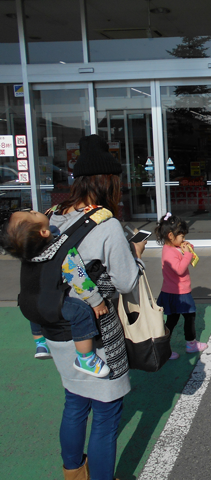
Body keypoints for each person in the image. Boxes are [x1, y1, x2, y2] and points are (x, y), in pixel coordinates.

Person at [45, 134, 145, 480]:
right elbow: (126, 282)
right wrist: (136, 256)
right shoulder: (107, 225)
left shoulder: (52, 216)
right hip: (97, 332)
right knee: (105, 413)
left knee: (74, 401)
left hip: (58, 328)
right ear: (108, 182)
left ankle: (73, 472)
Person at [1, 210, 111, 377]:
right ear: (44, 233)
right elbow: (79, 280)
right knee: (81, 311)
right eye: (33, 213)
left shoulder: (27, 253)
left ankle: (40, 343)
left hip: (27, 305)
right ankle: (85, 358)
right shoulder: (62, 252)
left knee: (35, 306)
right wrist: (97, 301)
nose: (34, 210)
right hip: (54, 306)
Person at [155, 212, 207, 358]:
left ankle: (180, 345)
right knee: (181, 318)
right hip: (177, 292)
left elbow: (184, 254)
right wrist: (188, 255)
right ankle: (177, 346)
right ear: (171, 236)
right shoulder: (169, 253)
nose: (184, 239)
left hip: (175, 291)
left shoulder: (173, 247)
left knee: (177, 318)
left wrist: (188, 248)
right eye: (182, 237)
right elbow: (179, 269)